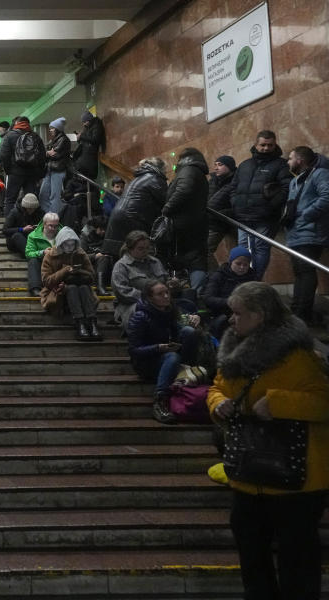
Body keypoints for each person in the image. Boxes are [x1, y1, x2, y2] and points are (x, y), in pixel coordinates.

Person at [208, 282, 329, 599]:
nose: (232, 320)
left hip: (297, 481)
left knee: (298, 564)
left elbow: (323, 402)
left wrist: (278, 403)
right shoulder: (233, 350)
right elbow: (216, 388)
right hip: (248, 477)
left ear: (259, 315)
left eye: (238, 314)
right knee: (252, 559)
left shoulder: (300, 356)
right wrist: (218, 403)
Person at [126, 279, 202, 423]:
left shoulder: (170, 311)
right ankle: (160, 400)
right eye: (160, 294)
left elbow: (181, 332)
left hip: (168, 356)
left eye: (167, 292)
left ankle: (187, 375)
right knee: (172, 356)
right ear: (150, 298)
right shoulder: (140, 317)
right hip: (147, 363)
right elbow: (134, 350)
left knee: (189, 332)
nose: (166, 296)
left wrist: (195, 319)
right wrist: (158, 348)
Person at [224, 130, 293, 277]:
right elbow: (233, 187)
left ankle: (255, 278)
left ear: (275, 145)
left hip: (265, 216)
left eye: (270, 145)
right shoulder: (245, 165)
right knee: (243, 248)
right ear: (256, 145)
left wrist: (271, 206)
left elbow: (286, 187)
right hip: (242, 214)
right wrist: (235, 202)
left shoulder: (281, 164)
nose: (266, 148)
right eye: (263, 145)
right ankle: (243, 280)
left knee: (260, 247)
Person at [285, 145, 329, 323]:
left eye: (290, 158)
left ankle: (302, 313)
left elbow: (327, 196)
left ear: (299, 160)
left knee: (305, 271)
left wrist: (307, 214)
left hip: (311, 232)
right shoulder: (294, 181)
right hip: (295, 233)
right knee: (300, 272)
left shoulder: (320, 174)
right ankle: (297, 309)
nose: (288, 162)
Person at [40, 226, 102, 341]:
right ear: (60, 243)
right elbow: (46, 281)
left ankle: (91, 322)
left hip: (81, 288)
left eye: (72, 244)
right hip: (57, 292)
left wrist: (78, 272)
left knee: (83, 287)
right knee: (72, 288)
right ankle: (80, 323)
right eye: (66, 244)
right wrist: (65, 271)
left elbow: (91, 275)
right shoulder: (50, 255)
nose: (70, 247)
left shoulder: (80, 253)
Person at [160, 147, 209, 289]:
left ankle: (193, 293)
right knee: (197, 259)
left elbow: (184, 190)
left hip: (183, 224)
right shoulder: (198, 172)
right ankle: (196, 291)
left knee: (186, 259)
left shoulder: (188, 170)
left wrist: (167, 209)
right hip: (196, 222)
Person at [101, 157, 168, 257]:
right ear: (160, 168)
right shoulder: (155, 178)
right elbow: (167, 201)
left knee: (121, 257)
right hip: (133, 219)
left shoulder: (139, 178)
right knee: (139, 257)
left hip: (119, 217)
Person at [110, 231, 168, 327]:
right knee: (149, 308)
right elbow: (123, 292)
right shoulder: (121, 266)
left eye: (147, 248)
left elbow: (165, 281)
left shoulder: (155, 262)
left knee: (187, 298)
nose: (145, 251)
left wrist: (171, 284)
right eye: (140, 249)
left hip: (162, 301)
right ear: (130, 249)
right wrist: (151, 298)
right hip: (131, 306)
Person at [0, 116, 45, 232]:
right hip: (31, 173)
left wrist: (8, 170)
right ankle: (32, 225)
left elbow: (3, 154)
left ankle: (9, 226)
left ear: (17, 123)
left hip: (15, 173)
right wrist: (38, 172)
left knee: (10, 199)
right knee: (31, 199)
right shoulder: (35, 136)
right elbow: (42, 156)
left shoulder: (10, 135)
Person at [201, 246, 256, 338]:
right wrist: (231, 302)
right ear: (231, 262)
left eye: (245, 264)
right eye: (238, 264)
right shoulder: (219, 276)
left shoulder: (252, 277)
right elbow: (208, 298)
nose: (242, 267)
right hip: (221, 313)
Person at [206, 156, 236, 269]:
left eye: (220, 164)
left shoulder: (236, 180)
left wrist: (224, 213)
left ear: (229, 166)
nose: (216, 168)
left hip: (229, 220)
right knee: (205, 251)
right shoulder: (213, 181)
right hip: (213, 221)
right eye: (215, 165)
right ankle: (216, 276)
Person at [39, 117, 71, 214]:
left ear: (58, 129)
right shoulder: (54, 140)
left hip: (58, 170)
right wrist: (48, 153)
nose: (50, 130)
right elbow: (46, 153)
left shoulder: (63, 140)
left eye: (52, 128)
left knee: (54, 196)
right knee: (43, 195)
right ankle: (50, 216)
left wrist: (48, 153)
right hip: (50, 170)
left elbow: (55, 154)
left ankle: (55, 219)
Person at [24, 212, 60, 297]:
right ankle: (35, 288)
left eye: (56, 226)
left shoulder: (63, 234)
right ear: (44, 224)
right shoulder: (33, 236)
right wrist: (42, 252)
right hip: (42, 262)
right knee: (33, 260)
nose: (53, 229)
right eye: (50, 226)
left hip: (59, 262)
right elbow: (28, 253)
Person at [80, 215, 111, 294]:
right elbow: (80, 256)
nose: (103, 232)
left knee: (105, 258)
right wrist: (95, 256)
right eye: (101, 229)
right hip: (90, 265)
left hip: (106, 264)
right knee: (102, 259)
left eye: (105, 229)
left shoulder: (106, 235)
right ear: (95, 227)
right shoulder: (85, 236)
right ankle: (100, 286)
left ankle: (101, 285)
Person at [72, 111, 106, 180]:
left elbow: (95, 139)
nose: (84, 124)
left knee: (87, 176)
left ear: (89, 120)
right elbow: (84, 140)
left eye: (85, 122)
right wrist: (79, 138)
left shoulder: (97, 125)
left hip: (90, 156)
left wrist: (81, 136)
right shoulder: (87, 127)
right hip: (85, 154)